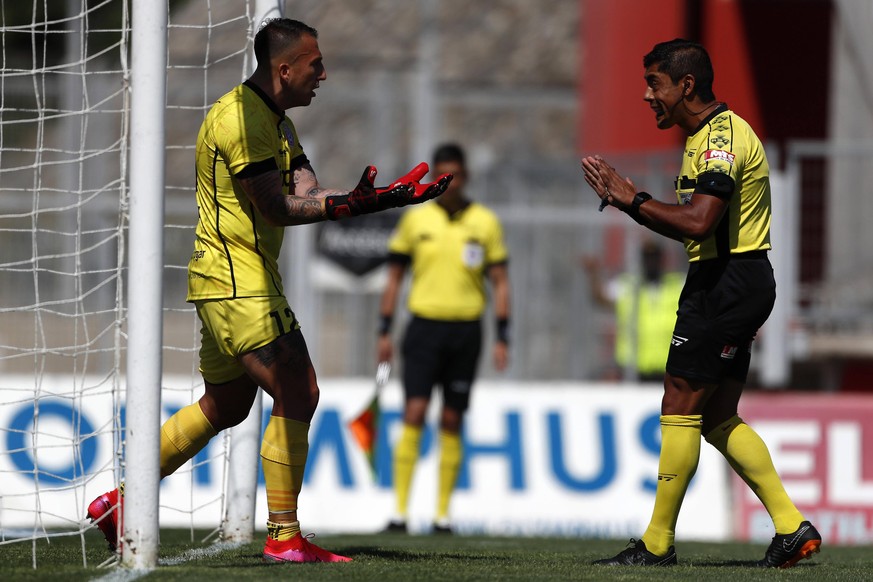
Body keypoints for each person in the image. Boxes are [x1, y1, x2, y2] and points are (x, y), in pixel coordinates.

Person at [86, 18, 451, 563]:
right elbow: (277, 207)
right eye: (315, 64)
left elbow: (307, 191)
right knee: (299, 390)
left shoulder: (277, 123)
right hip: (240, 284)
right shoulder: (240, 119)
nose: (323, 74)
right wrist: (350, 205)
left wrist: (376, 199)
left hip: (229, 282)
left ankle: (121, 501)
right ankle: (284, 536)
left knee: (227, 402)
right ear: (284, 69)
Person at [581, 39, 821, 568]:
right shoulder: (707, 136)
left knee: (679, 404)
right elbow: (695, 224)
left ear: (685, 85)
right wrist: (631, 202)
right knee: (715, 415)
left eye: (655, 83)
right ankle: (790, 527)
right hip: (736, 279)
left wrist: (632, 198)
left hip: (725, 281)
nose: (648, 95)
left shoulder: (718, 141)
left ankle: (657, 543)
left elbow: (697, 222)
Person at [376, 143, 510, 535]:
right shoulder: (416, 222)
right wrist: (383, 330)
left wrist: (503, 335)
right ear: (435, 177)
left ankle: (442, 515)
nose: (450, 184)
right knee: (414, 412)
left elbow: (500, 282)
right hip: (423, 329)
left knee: (452, 418)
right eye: (442, 176)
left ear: (466, 176)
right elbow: (395, 279)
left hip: (466, 331)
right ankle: (400, 513)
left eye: (456, 175)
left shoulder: (485, 222)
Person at [582, 241, 683, 381]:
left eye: (655, 258)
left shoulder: (676, 285)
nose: (651, 263)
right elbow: (601, 298)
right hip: (633, 368)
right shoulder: (628, 285)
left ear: (662, 260)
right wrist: (594, 274)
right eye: (648, 258)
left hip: (668, 367)